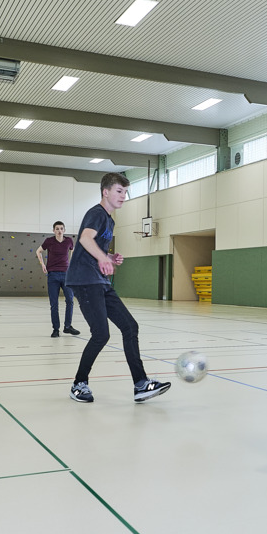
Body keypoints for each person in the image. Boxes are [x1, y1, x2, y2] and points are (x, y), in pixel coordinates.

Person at [65, 172, 170, 404]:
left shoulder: (110, 220)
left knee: (130, 326)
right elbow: (84, 239)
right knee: (101, 334)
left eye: (125, 192)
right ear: (106, 192)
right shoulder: (96, 213)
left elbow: (92, 247)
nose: (123, 196)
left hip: (100, 280)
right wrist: (103, 258)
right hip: (85, 280)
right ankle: (78, 384)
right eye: (119, 191)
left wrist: (109, 257)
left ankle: (141, 384)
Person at [36, 221, 80, 337]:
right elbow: (38, 251)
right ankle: (56, 329)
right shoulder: (49, 241)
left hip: (66, 275)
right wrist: (42, 264)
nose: (59, 231)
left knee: (70, 300)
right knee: (54, 304)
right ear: (53, 230)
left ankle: (67, 326)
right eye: (57, 229)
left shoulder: (69, 241)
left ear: (64, 230)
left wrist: (72, 266)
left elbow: (73, 251)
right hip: (53, 275)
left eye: (61, 228)